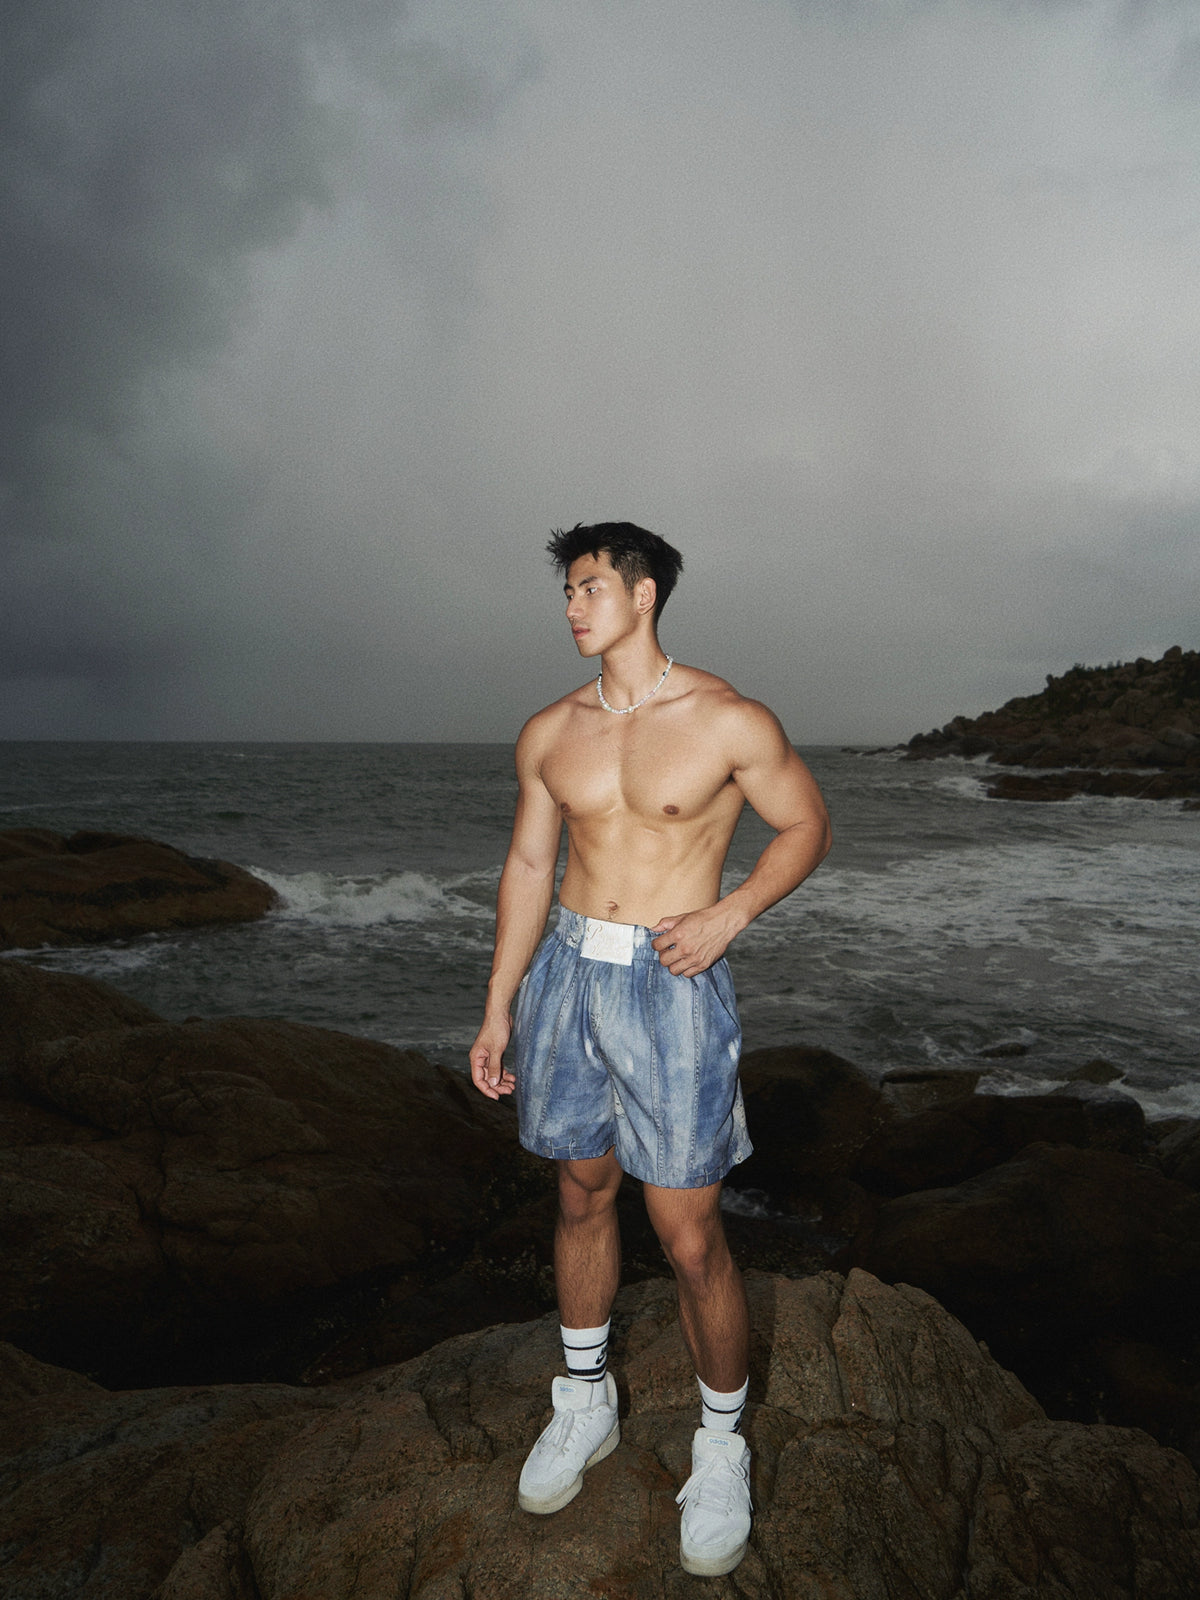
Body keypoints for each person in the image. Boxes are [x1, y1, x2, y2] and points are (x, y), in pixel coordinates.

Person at [469, 522, 831, 1578]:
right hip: (567, 974)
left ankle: (721, 1447)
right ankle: (585, 1400)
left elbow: (806, 824)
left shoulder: (727, 719)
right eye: (567, 591)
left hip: (670, 983)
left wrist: (731, 915)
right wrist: (498, 1005)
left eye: (589, 587)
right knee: (581, 1191)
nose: (572, 607)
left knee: (688, 1230)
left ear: (643, 593)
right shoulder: (551, 730)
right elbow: (528, 867)